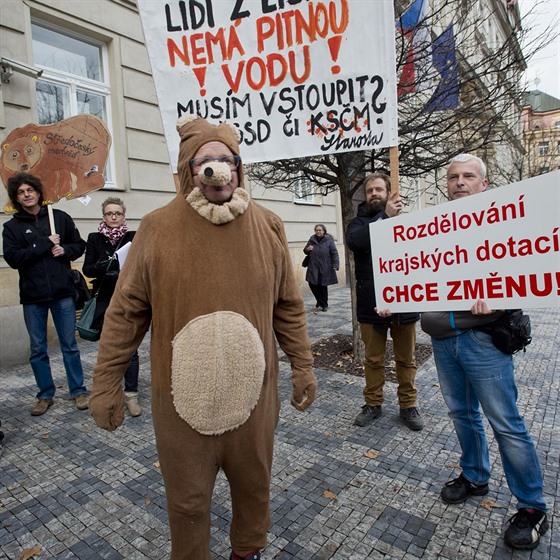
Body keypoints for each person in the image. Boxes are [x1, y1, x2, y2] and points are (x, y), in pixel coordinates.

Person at [88, 114, 317, 560]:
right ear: (187, 172)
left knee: (255, 492)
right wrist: (106, 383)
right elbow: (124, 314)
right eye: (203, 162)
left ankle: (245, 552)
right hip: (180, 405)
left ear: (238, 165)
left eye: (225, 159)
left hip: (254, 401)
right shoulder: (156, 228)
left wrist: (303, 365)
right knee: (188, 503)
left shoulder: (268, 226)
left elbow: (287, 306)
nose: (216, 168)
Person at [421, 154, 548, 550]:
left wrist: (501, 298)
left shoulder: (506, 224)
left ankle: (532, 507)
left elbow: (533, 267)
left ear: (484, 185)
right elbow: (415, 273)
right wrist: (393, 297)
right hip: (443, 339)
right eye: (453, 177)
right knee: (462, 414)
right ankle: (474, 475)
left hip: (482, 341)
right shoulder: (431, 230)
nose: (459, 182)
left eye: (468, 177)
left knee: (505, 423)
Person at [2, 172, 89, 416]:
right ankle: (45, 394)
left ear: (39, 193)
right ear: (16, 198)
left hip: (62, 293)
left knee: (69, 345)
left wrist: (65, 250)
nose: (26, 194)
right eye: (21, 192)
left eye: (30, 190)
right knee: (38, 348)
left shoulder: (59, 218)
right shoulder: (12, 227)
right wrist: (44, 243)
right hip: (33, 297)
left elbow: (78, 245)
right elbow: (14, 258)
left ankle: (78, 390)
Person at [345, 172, 423, 431]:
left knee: (406, 359)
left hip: (404, 303)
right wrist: (385, 217)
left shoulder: (409, 222)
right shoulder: (358, 223)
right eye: (370, 191)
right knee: (374, 359)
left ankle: (408, 405)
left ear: (390, 192)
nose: (375, 194)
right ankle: (373, 404)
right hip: (371, 304)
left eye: (379, 189)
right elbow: (357, 242)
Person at [82, 197, 140, 417]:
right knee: (108, 350)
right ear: (103, 216)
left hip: (127, 299)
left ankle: (131, 395)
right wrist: (106, 264)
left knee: (131, 351)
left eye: (117, 213)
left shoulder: (132, 237)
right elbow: (88, 269)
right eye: (109, 213)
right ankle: (108, 393)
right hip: (104, 300)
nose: (113, 217)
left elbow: (139, 266)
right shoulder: (94, 238)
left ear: (124, 216)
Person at [303, 224, 339, 311]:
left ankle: (324, 305)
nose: (318, 232)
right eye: (317, 230)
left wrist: (336, 264)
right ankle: (319, 300)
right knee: (312, 284)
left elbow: (334, 253)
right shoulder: (312, 240)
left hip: (325, 266)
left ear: (324, 231)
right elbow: (305, 251)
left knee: (322, 285)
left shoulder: (329, 241)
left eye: (320, 230)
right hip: (313, 266)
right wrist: (308, 249)